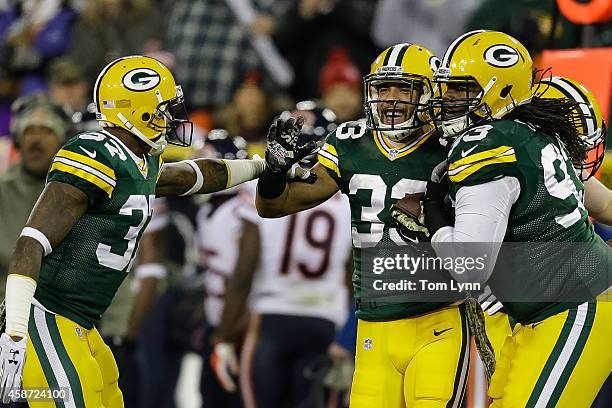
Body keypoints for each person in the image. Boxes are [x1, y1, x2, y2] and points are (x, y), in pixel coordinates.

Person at [0, 55, 266, 406]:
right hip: (46, 319)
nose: (169, 118)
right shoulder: (93, 152)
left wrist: (265, 164)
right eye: (162, 109)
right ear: (136, 109)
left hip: (83, 324)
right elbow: (31, 242)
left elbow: (199, 175)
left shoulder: (139, 160)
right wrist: (15, 335)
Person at [256, 44, 470, 407]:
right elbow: (273, 206)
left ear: (430, 91)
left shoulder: (455, 144)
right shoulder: (350, 142)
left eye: (404, 88)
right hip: (373, 325)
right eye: (383, 89)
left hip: (439, 319)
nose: (391, 99)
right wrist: (275, 171)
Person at [405, 30, 611, 407]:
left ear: (498, 92)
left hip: (575, 305)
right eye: (445, 88)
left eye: (460, 89)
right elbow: (606, 205)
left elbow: (470, 266)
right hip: (543, 312)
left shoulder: (488, 143)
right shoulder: (533, 135)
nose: (445, 99)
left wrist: (435, 218)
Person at [212, 105, 352, 408]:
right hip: (326, 321)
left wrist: (223, 336)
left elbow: (245, 268)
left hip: (272, 320)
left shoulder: (262, 191)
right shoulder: (348, 195)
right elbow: (353, 274)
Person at [0, 94, 69, 307]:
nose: (36, 140)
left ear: (62, 140)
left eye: (47, 131)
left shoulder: (78, 191)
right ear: (19, 140)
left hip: (63, 311)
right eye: (29, 131)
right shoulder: (2, 189)